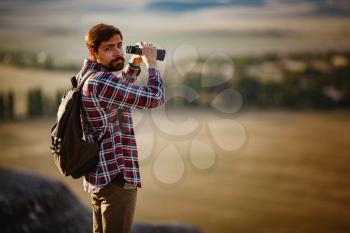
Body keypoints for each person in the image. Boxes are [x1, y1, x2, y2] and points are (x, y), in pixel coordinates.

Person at [78, 23, 165, 233]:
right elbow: (155, 98)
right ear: (93, 51)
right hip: (117, 180)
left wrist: (135, 63)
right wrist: (151, 64)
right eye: (109, 48)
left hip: (100, 178)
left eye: (119, 45)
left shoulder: (88, 76)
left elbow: (118, 92)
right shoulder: (103, 82)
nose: (118, 52)